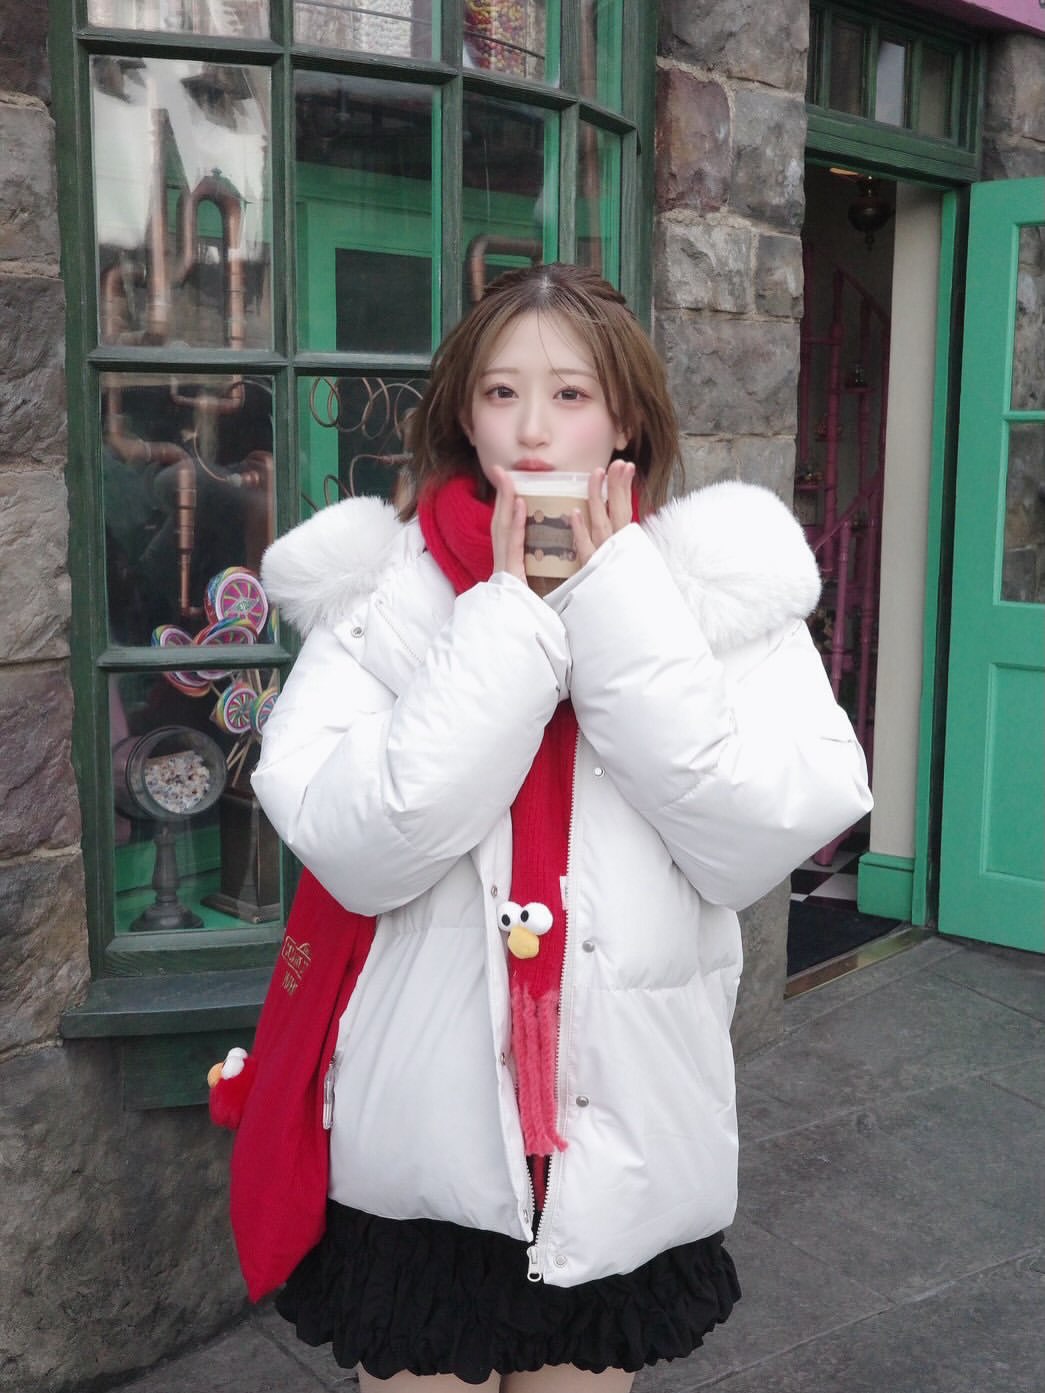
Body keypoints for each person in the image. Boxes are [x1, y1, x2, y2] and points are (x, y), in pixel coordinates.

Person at [248, 263, 873, 1393]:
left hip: (619, 1135)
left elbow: (749, 834)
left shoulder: (715, 595)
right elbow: (358, 845)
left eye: (570, 394)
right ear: (463, 412)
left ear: (625, 415)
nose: (531, 428)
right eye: (500, 393)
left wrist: (613, 598)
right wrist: (505, 628)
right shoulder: (381, 595)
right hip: (423, 1140)